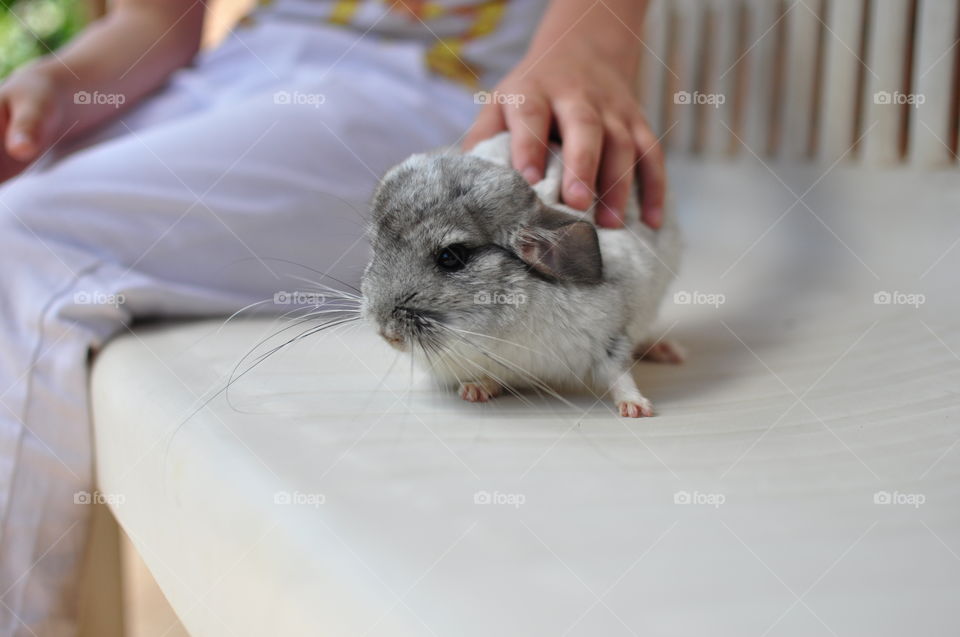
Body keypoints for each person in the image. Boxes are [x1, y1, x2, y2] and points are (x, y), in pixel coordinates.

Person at [0, 0, 665, 633]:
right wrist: (68, 83)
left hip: (463, 100)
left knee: (20, 244)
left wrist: (590, 41)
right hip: (228, 76)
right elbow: (156, 20)